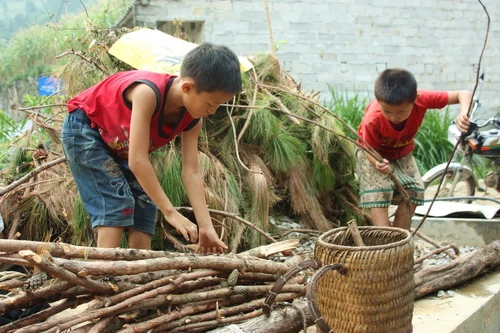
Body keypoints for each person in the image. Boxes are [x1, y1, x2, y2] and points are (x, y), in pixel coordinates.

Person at [61, 43, 242, 252]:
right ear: (187, 88)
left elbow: (191, 171)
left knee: (145, 207)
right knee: (115, 201)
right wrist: (171, 212)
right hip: (85, 129)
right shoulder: (147, 93)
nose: (213, 111)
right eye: (211, 103)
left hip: (118, 144)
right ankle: (103, 273)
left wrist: (206, 227)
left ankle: (138, 272)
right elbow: (137, 161)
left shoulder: (193, 119)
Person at [356, 68, 472, 230]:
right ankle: (384, 241)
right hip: (374, 154)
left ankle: (400, 237)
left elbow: (463, 94)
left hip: (402, 153)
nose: (394, 117)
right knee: (379, 193)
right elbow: (367, 149)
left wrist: (464, 113)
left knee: (415, 191)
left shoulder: (423, 99)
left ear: (415, 100)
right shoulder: (372, 119)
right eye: (387, 111)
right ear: (378, 100)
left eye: (401, 112)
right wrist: (378, 163)